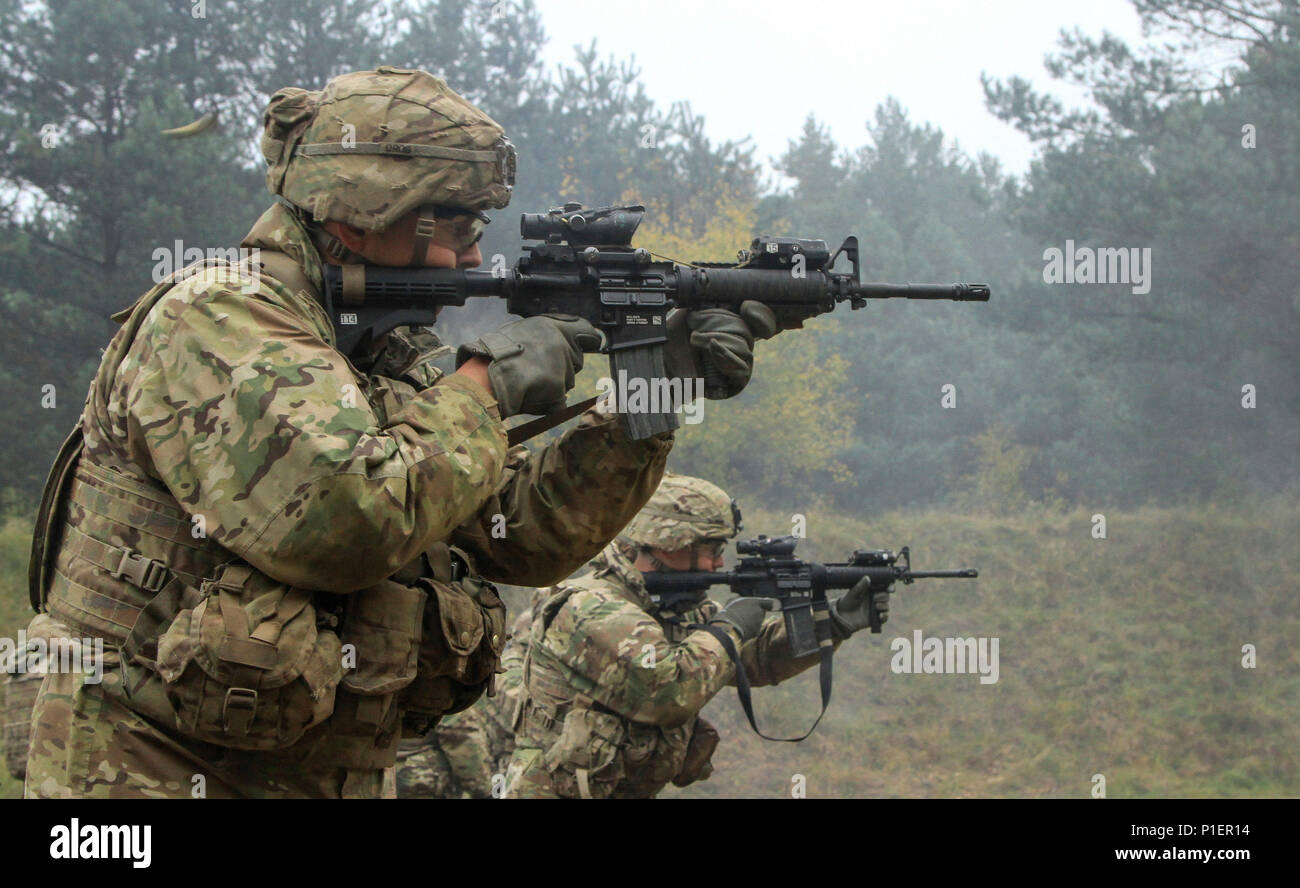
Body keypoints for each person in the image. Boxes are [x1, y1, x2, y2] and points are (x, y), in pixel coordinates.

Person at [23, 67, 774, 799]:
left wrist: (654, 392)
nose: (475, 255)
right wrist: (486, 387)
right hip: (145, 772)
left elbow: (516, 535)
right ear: (366, 213)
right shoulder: (220, 320)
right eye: (457, 226)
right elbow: (344, 519)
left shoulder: (380, 353)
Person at [504, 473, 886, 799]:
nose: (719, 563)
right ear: (670, 543)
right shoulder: (591, 608)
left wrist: (833, 624)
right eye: (712, 550)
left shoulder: (673, 607)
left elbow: (752, 661)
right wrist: (728, 628)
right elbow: (669, 692)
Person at [394, 606, 532, 798]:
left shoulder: (413, 659)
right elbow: (461, 738)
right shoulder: (443, 672)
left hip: (405, 772)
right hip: (424, 781)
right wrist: (489, 792)